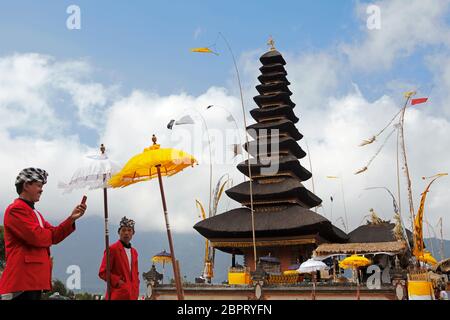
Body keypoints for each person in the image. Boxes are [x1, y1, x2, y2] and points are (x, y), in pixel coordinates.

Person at [0, 168, 87, 300]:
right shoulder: (15, 209)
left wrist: (72, 218)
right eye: (39, 185)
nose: (41, 190)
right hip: (22, 282)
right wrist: (49, 234)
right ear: (26, 185)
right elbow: (37, 237)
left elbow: (54, 236)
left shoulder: (36, 213)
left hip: (33, 282)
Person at [99, 216, 140, 300]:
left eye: (129, 230)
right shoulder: (112, 249)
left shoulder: (134, 252)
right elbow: (103, 272)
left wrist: (136, 285)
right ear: (119, 232)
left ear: (133, 233)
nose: (126, 233)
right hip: (117, 295)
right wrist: (117, 281)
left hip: (133, 295)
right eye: (123, 230)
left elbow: (136, 273)